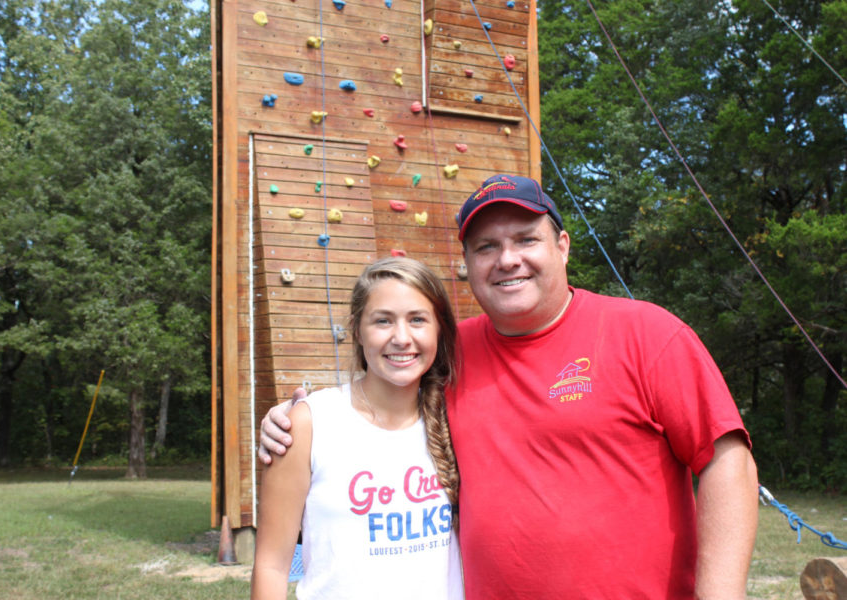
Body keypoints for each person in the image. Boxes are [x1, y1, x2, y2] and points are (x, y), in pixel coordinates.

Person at [260, 175, 759, 599]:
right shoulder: (451, 351)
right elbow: (382, 383)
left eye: (525, 239)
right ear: (468, 262)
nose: (507, 259)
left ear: (562, 246)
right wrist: (291, 419)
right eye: (487, 247)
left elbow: (726, 458)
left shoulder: (646, 334)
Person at [251, 257, 464, 600]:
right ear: (356, 329)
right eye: (382, 321)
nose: (401, 338)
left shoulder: (458, 417)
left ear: (438, 329)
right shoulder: (308, 424)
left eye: (418, 320)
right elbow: (271, 567)